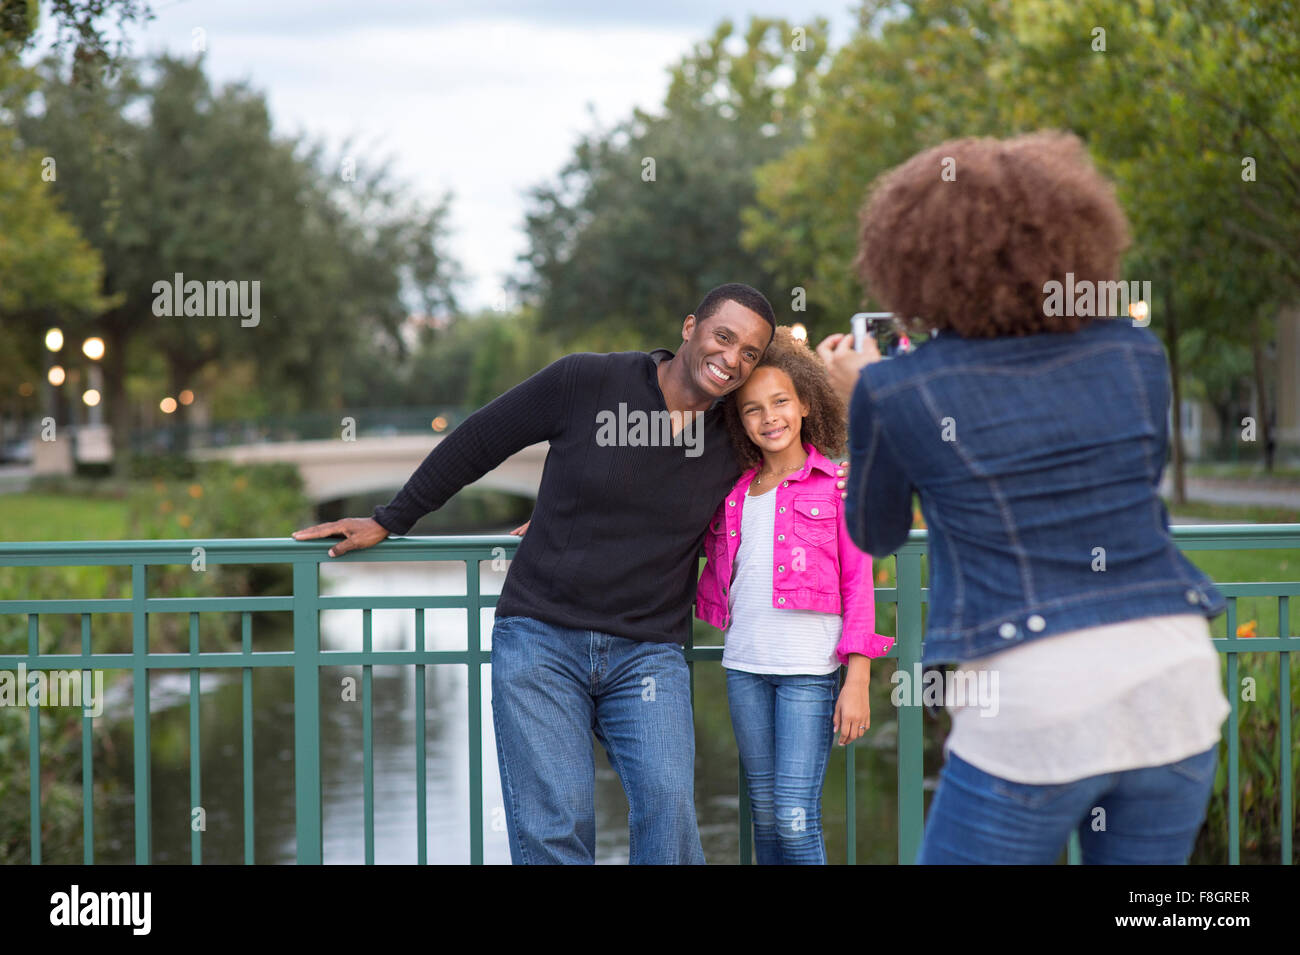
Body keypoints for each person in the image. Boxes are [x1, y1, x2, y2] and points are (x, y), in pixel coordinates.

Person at [294, 283, 849, 864]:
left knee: (669, 813)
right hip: (541, 638)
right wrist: (391, 518)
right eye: (724, 337)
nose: (732, 359)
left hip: (648, 651)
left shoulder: (732, 432)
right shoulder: (587, 381)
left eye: (751, 353)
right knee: (554, 827)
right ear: (690, 328)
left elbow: (795, 467)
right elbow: (482, 439)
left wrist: (847, 477)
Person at [816, 131, 1229, 865]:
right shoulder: (1136, 352)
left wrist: (864, 405)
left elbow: (875, 532)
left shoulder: (897, 386)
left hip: (1035, 696)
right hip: (1177, 673)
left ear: (910, 263)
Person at [695, 327, 893, 864]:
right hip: (745, 668)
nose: (769, 417)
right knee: (763, 813)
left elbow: (859, 585)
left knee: (793, 816)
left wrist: (858, 678)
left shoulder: (837, 485)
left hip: (810, 670)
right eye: (753, 409)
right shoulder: (734, 494)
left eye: (780, 401)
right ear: (740, 421)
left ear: (805, 403)